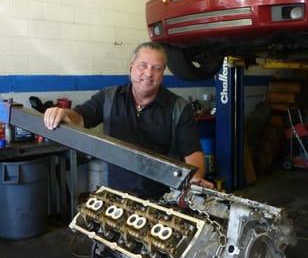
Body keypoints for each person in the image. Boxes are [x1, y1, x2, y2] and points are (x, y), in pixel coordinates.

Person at [44, 41, 212, 200]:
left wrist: (194, 180)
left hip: (163, 200)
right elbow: (79, 117)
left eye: (157, 68)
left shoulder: (179, 108)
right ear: (131, 68)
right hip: (117, 196)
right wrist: (64, 114)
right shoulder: (109, 98)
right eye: (143, 66)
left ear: (162, 75)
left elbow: (193, 153)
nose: (148, 73)